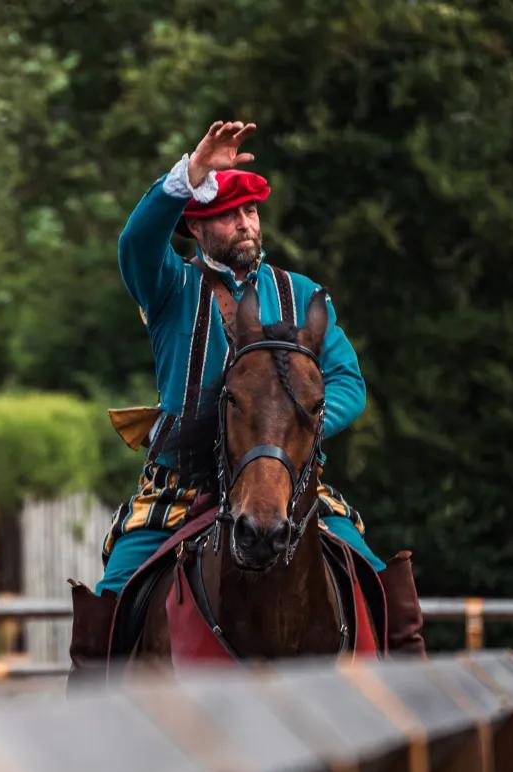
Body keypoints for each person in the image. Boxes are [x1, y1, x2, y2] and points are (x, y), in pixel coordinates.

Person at [83, 120, 423, 656]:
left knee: (383, 585)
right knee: (112, 603)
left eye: (251, 211)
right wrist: (190, 175)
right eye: (227, 214)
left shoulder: (305, 295)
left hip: (286, 479)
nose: (245, 225)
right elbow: (136, 240)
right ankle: (91, 732)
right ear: (196, 227)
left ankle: (417, 714)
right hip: (182, 487)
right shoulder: (169, 284)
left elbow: (348, 383)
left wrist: (290, 429)